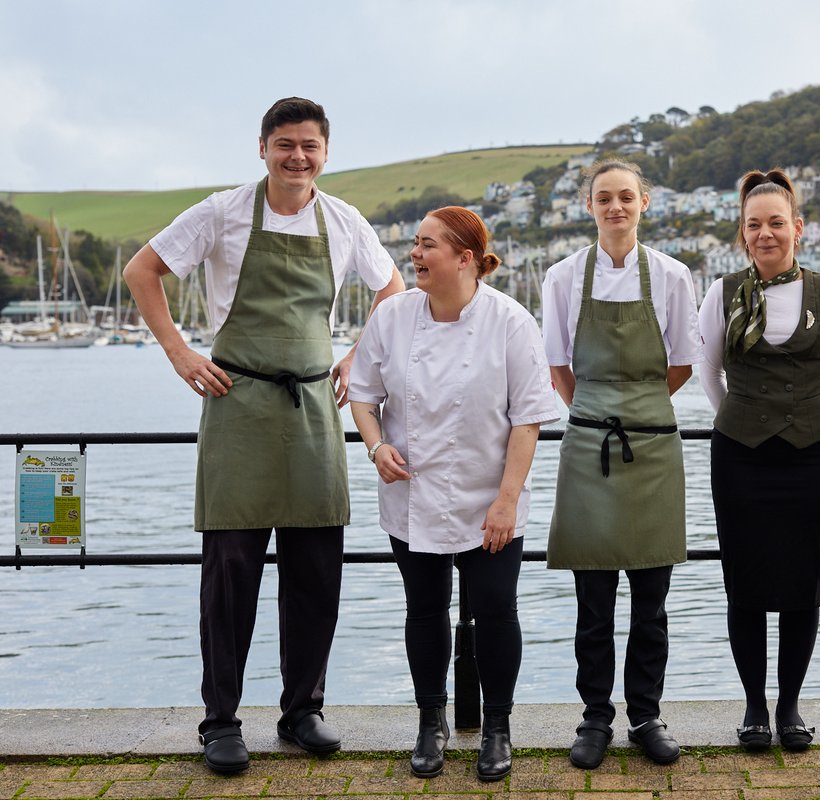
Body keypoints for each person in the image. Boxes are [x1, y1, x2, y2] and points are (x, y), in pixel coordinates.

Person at [123, 97, 406, 775]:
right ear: (262, 148)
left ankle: (302, 710)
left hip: (313, 406)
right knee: (231, 573)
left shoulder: (342, 221)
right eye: (285, 145)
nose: (297, 157)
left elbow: (394, 289)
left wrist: (360, 355)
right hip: (238, 401)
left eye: (309, 146)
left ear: (326, 153)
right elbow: (142, 271)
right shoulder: (221, 213)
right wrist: (182, 354)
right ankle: (220, 721)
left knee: (316, 570)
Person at [348, 206, 558, 782]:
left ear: (465, 259)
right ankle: (430, 722)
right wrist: (374, 447)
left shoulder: (510, 322)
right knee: (424, 611)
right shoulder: (392, 317)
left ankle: (497, 728)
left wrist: (507, 500)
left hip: (489, 499)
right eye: (415, 244)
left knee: (495, 611)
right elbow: (363, 396)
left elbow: (528, 419)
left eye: (427, 246)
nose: (414, 254)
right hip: (410, 494)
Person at [541, 159, 703, 769]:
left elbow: (683, 362)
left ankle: (646, 714)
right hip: (588, 444)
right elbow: (558, 365)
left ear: (644, 203)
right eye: (604, 198)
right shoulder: (562, 276)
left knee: (652, 598)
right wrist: (592, 411)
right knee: (593, 597)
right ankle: (595, 716)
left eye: (626, 198)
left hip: (653, 444)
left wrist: (636, 407)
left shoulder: (671, 275)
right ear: (589, 206)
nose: (616, 207)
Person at [697, 169, 820, 752]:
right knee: (744, 582)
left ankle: (789, 705)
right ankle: (754, 708)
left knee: (804, 583)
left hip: (812, 457)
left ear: (798, 229)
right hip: (739, 457)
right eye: (755, 225)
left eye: (777, 223)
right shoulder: (721, 292)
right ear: (742, 233)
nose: (767, 234)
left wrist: (801, 417)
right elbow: (709, 373)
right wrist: (745, 418)